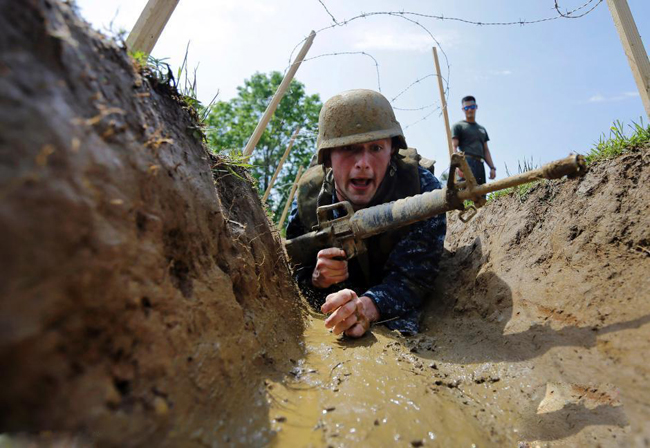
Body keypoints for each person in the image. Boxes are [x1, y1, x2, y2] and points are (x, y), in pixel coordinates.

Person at [285, 89, 446, 339]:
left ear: (392, 150)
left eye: (376, 147)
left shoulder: (421, 191)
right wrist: (317, 279)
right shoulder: (310, 199)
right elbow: (292, 274)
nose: (363, 162)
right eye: (349, 148)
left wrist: (368, 307)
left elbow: (416, 279)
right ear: (327, 158)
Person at [451, 96, 496, 184]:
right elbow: (454, 147)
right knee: (466, 192)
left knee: (481, 193)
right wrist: (457, 166)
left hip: (480, 164)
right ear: (463, 109)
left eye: (472, 107)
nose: (470, 110)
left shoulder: (481, 129)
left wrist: (492, 168)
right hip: (466, 162)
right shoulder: (458, 126)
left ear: (476, 107)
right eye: (467, 108)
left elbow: (486, 150)